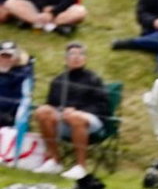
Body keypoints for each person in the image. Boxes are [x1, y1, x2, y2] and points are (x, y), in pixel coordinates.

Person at [31, 42, 108, 180]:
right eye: (72, 54)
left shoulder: (94, 79)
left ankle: (81, 166)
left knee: (75, 117)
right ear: (66, 58)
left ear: (85, 58)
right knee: (42, 112)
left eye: (80, 54)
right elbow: (51, 105)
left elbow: (102, 106)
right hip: (64, 120)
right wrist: (61, 110)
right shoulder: (58, 80)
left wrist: (78, 111)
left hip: (90, 121)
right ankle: (55, 161)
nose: (76, 57)